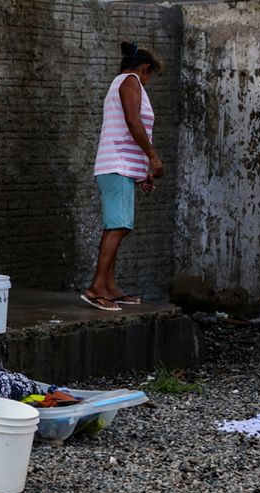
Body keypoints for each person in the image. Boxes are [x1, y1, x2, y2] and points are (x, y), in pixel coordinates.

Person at [82, 41, 165, 311]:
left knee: (117, 226)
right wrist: (152, 157)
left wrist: (142, 172)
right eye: (150, 74)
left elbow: (131, 127)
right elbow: (133, 121)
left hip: (121, 166)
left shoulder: (125, 81)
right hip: (115, 165)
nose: (148, 80)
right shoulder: (130, 81)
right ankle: (96, 288)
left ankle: (109, 287)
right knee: (118, 226)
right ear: (144, 69)